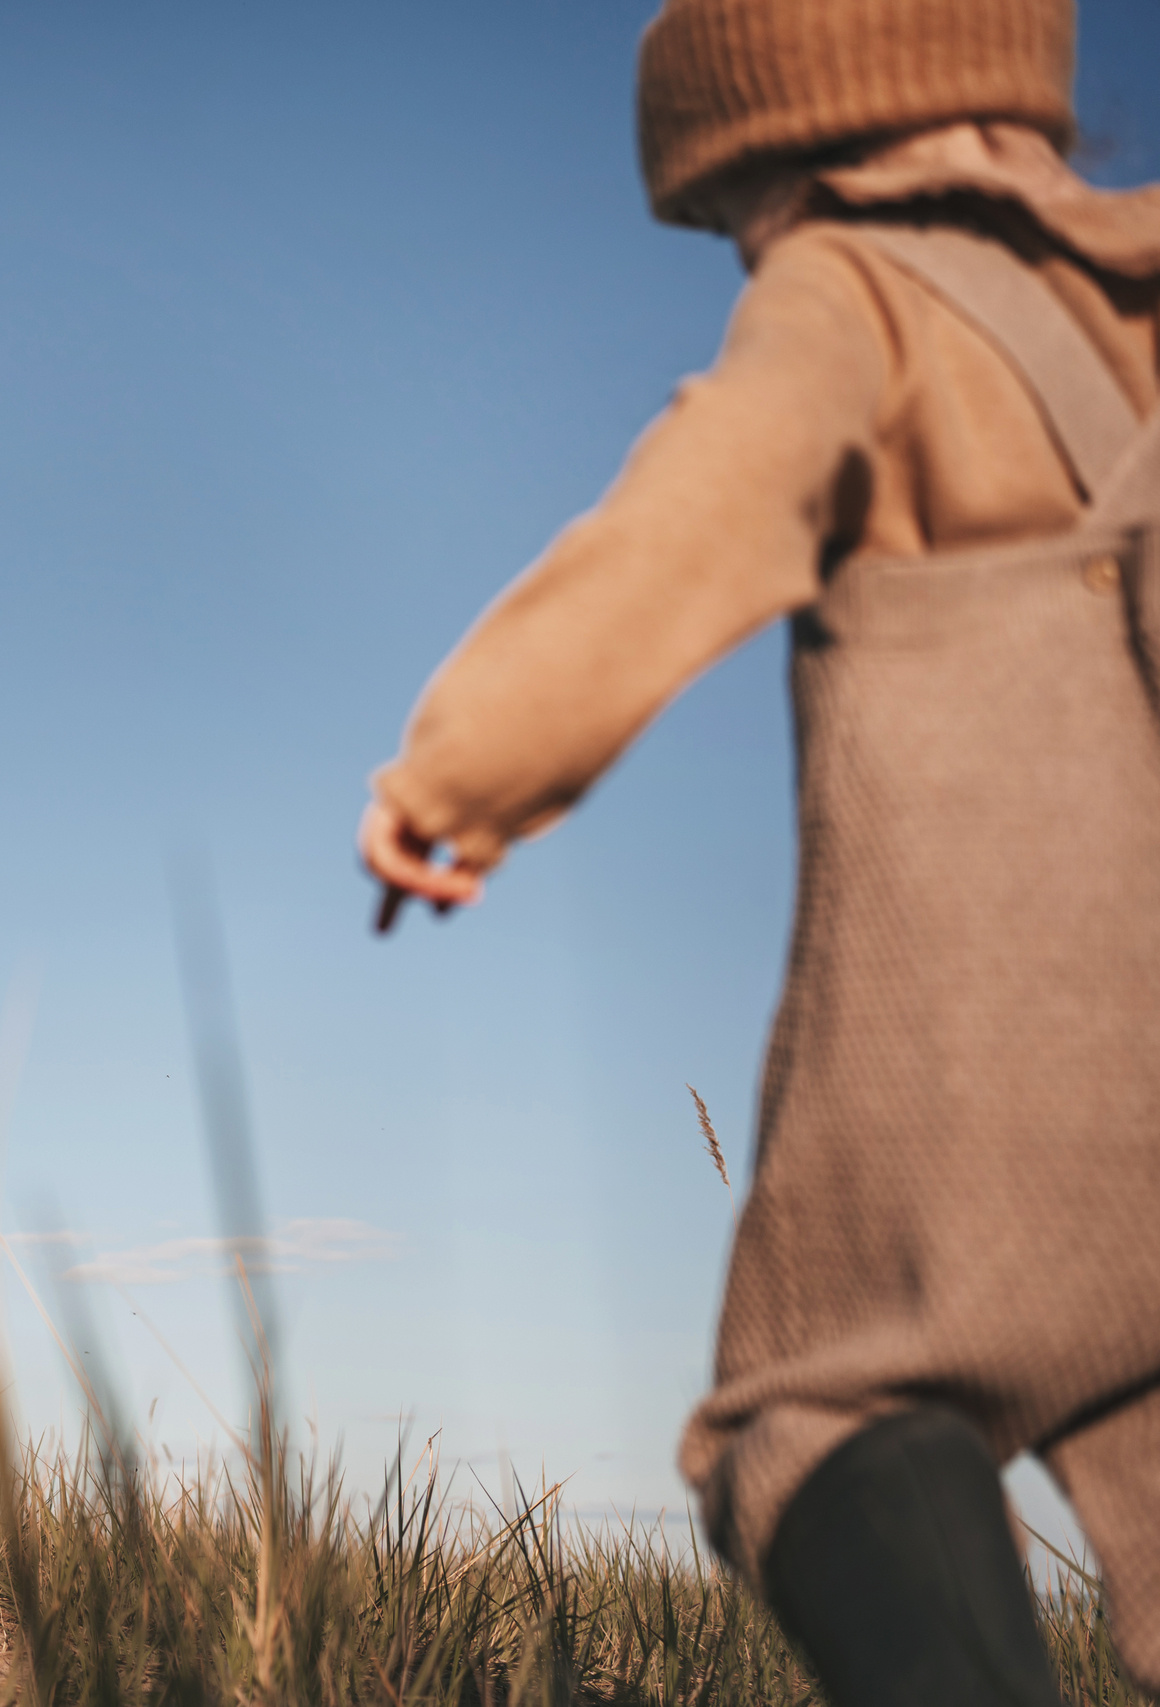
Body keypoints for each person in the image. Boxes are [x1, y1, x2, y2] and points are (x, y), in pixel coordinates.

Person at [359, 0, 1160, 1699]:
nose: (744, 263)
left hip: (1022, 1038)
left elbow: (702, 506)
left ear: (783, 151)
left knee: (814, 1407)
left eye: (731, 225)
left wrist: (462, 768)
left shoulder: (855, 294)